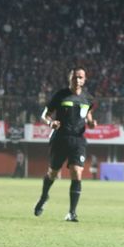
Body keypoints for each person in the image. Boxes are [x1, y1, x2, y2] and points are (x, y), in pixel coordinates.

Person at [34, 67, 97, 222]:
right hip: (60, 138)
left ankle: (72, 212)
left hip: (78, 140)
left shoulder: (88, 99)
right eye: (75, 77)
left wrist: (91, 123)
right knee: (53, 173)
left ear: (85, 79)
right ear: (70, 78)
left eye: (80, 77)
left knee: (77, 172)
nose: (77, 80)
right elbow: (45, 115)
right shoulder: (60, 95)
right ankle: (44, 196)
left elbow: (88, 115)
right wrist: (50, 123)